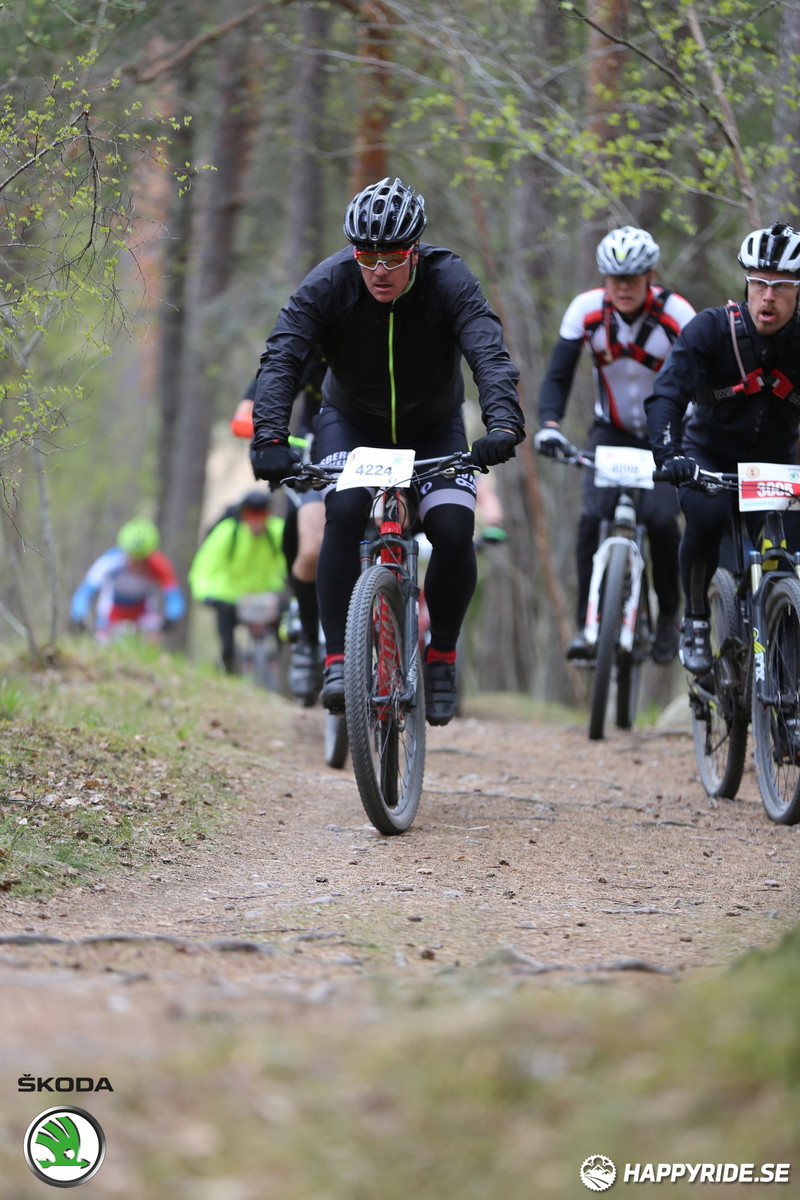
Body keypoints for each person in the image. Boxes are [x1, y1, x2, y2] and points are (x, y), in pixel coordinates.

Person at [249, 176, 525, 724]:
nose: (378, 270)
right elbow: (281, 356)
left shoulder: (449, 279)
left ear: (414, 250)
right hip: (352, 424)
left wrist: (502, 423)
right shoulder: (330, 282)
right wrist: (270, 438)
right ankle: (336, 659)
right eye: (366, 256)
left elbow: (488, 352)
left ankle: (441, 654)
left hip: (436, 427)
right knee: (345, 512)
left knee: (450, 528)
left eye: (392, 257)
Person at [534, 226, 696, 664]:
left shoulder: (677, 313)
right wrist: (549, 425)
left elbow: (703, 376)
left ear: (651, 275)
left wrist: (696, 434)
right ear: (604, 278)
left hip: (666, 436)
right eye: (614, 278)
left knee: (663, 522)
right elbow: (557, 376)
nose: (623, 287)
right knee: (591, 518)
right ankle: (590, 625)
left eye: (633, 277)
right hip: (611, 431)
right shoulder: (586, 310)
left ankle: (669, 618)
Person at [645, 221, 800, 674]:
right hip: (706, 456)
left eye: (781, 287)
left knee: (789, 557)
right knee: (707, 518)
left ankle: (786, 686)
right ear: (746, 285)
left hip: (774, 465)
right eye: (759, 284)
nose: (768, 296)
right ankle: (694, 618)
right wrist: (670, 455)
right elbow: (666, 396)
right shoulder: (711, 329)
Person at [232, 366, 326, 703]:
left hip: (374, 443)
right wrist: (255, 420)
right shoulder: (315, 337)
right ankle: (307, 636)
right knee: (304, 539)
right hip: (313, 443)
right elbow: (278, 374)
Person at [188, 490, 287, 674]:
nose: (256, 520)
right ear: (243, 514)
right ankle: (229, 663)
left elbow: (291, 562)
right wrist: (205, 594)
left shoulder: (277, 531)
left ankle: (278, 662)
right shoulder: (227, 533)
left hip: (267, 596)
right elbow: (204, 566)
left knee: (289, 617)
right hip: (233, 598)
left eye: (262, 514)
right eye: (251, 514)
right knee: (225, 625)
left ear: (269, 514)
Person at [69, 518, 185, 640]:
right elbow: (85, 591)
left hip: (143, 613)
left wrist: (172, 616)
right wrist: (78, 615)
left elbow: (174, 595)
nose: (137, 563)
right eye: (132, 557)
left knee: (153, 637)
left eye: (142, 558)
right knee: (103, 643)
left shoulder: (158, 564)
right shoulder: (110, 562)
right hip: (111, 614)